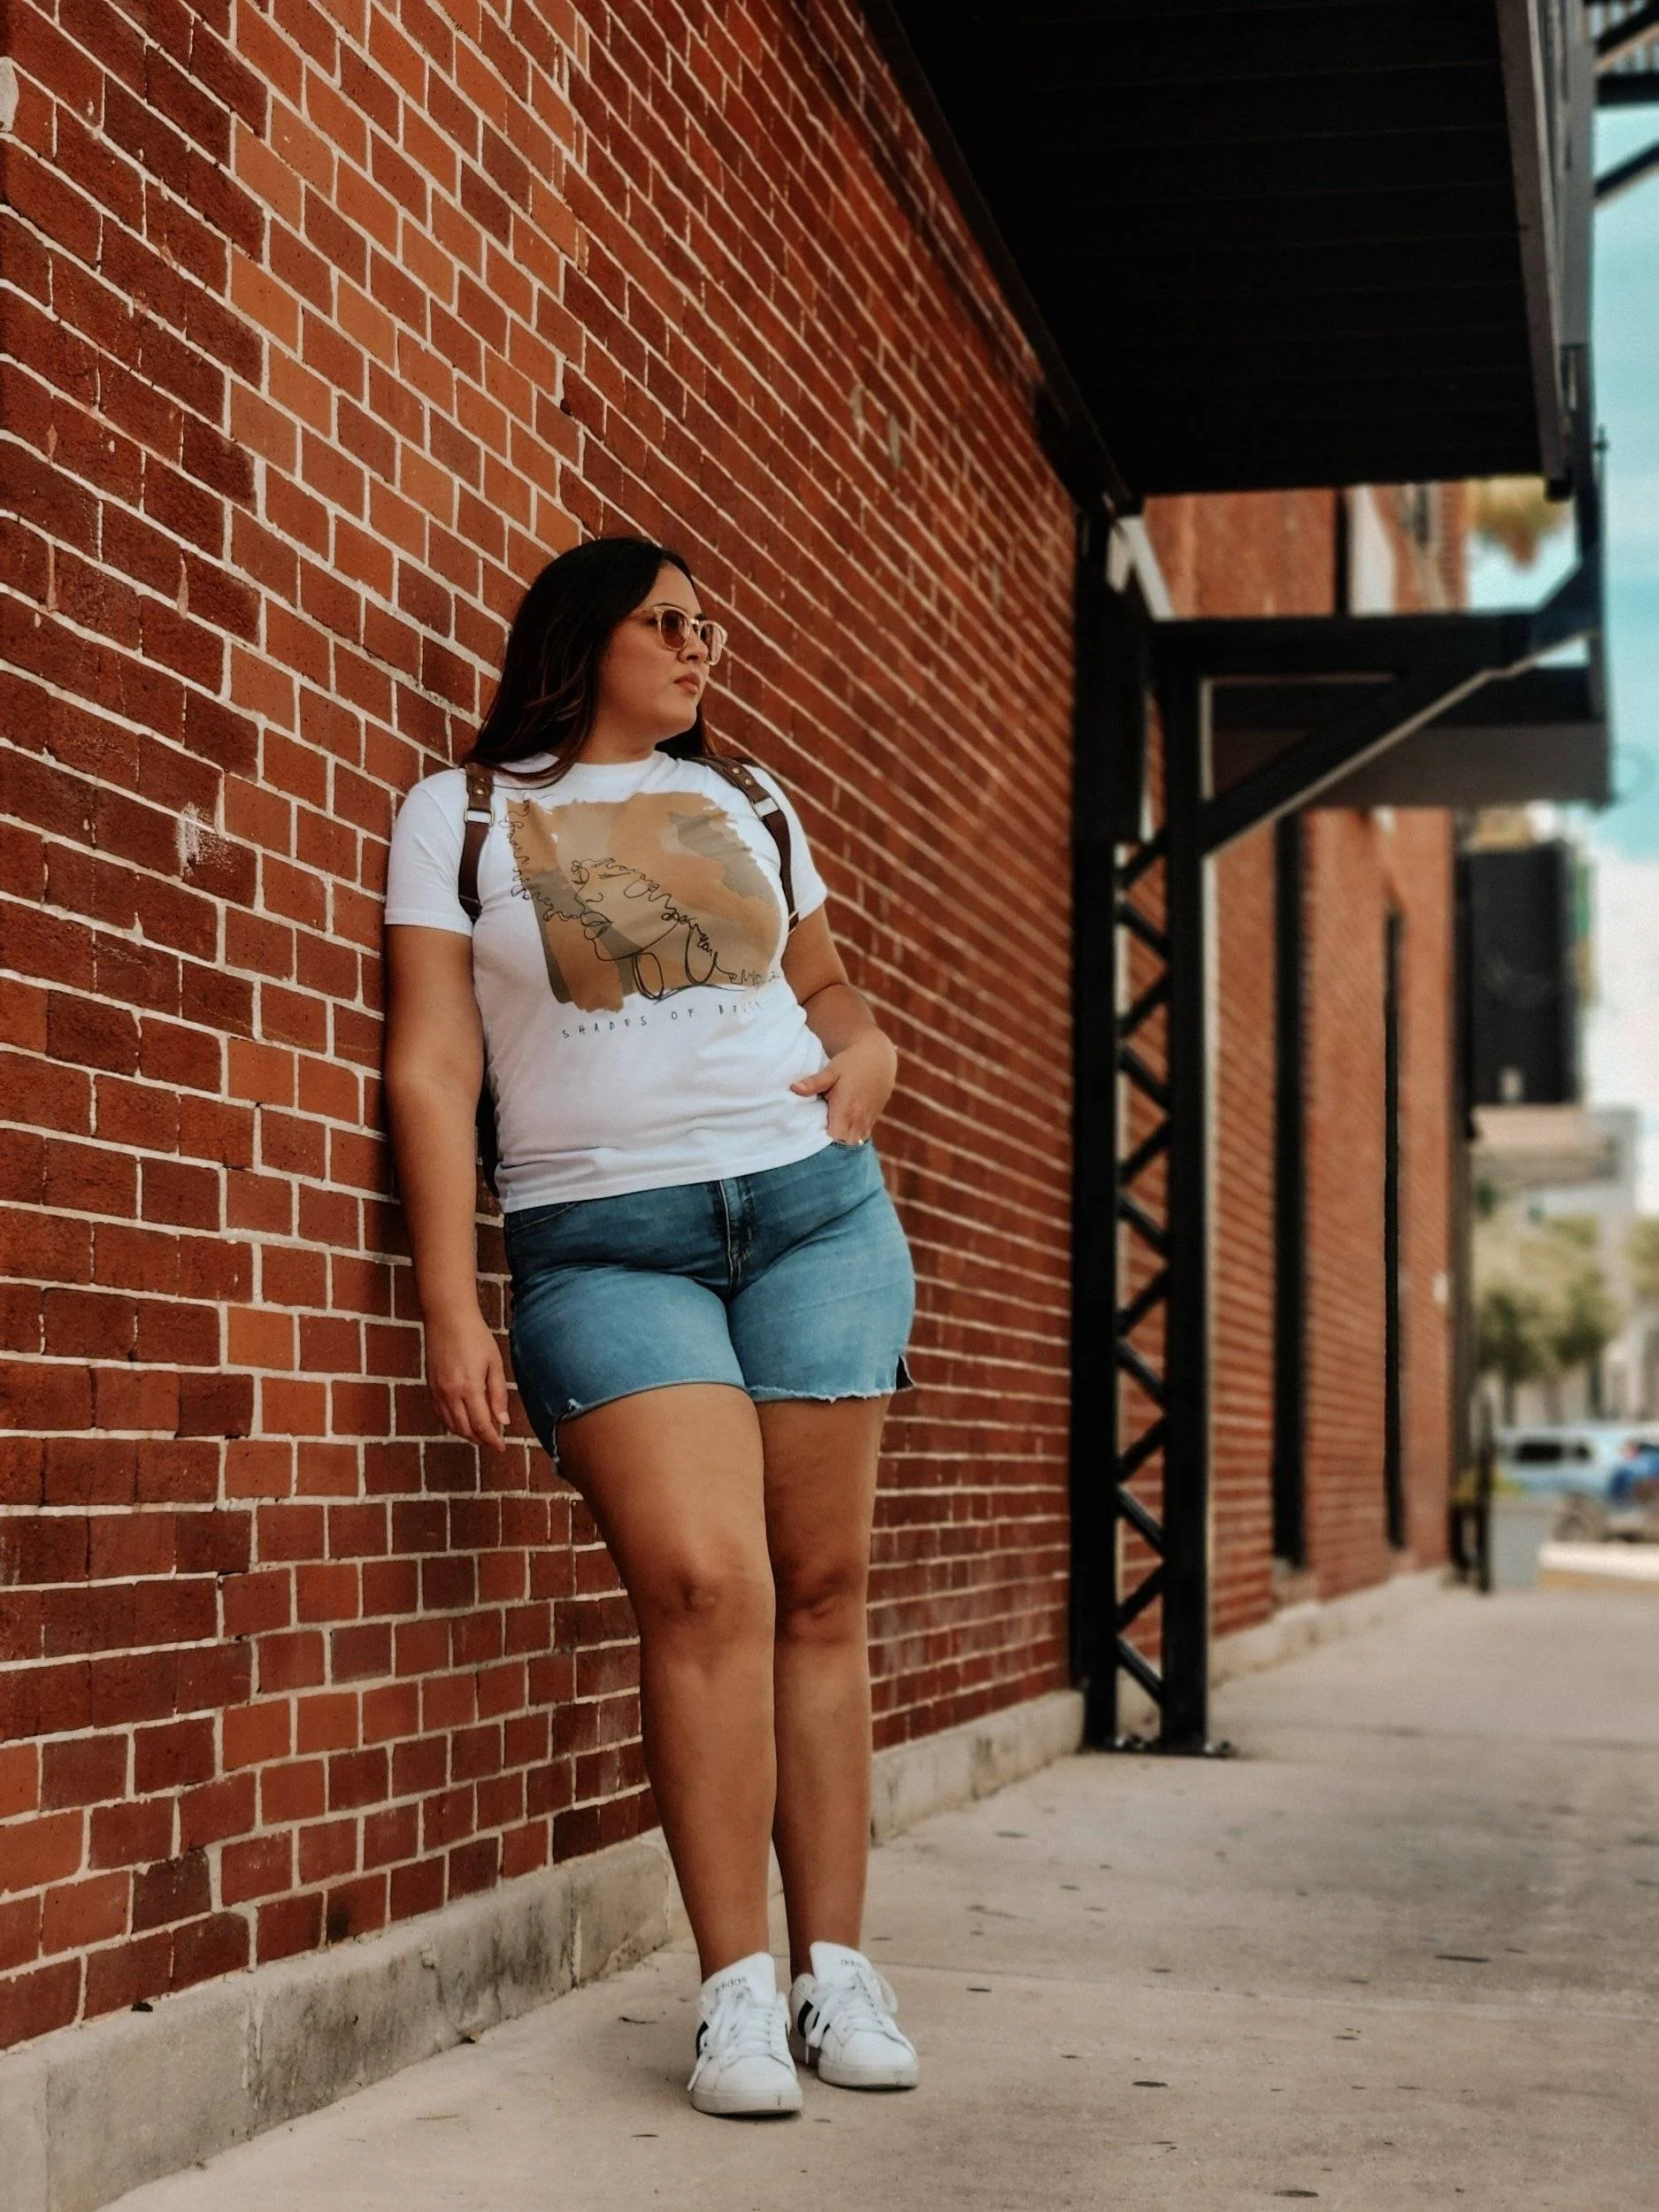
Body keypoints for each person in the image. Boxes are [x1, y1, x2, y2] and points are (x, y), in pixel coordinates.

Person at [381, 535, 920, 2117]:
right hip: (603, 1242)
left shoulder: (750, 796)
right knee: (703, 1584)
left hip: (814, 1213)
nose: (698, 646)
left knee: (820, 1591)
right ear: (583, 637)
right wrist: (450, 1298)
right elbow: (433, 1064)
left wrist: (871, 1051)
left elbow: (827, 990)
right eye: (667, 621)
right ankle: (733, 1992)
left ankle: (837, 1970)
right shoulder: (460, 814)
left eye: (708, 626)